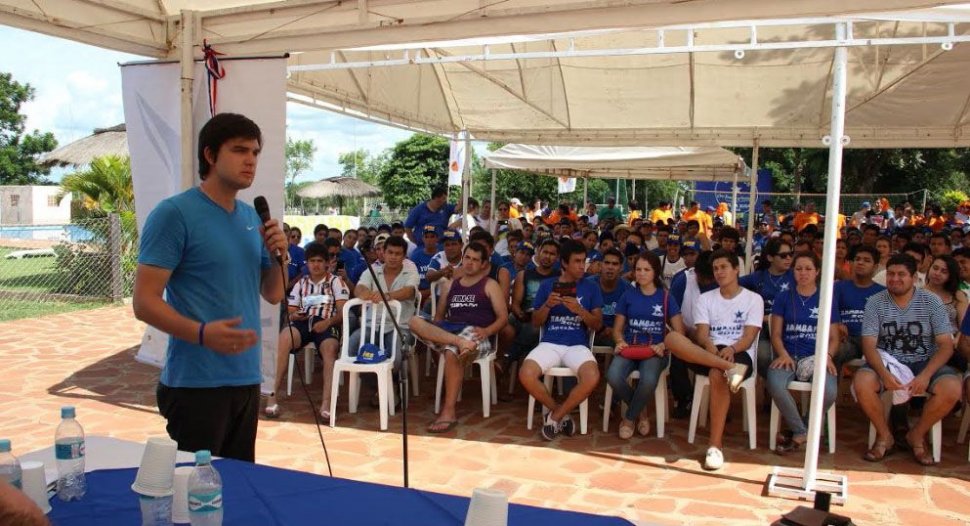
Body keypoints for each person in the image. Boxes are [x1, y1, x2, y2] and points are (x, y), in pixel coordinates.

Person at [133, 113, 286, 462]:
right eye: (239, 150)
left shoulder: (252, 219)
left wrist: (282, 255)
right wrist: (201, 333)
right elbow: (144, 302)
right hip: (196, 385)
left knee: (237, 487)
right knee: (194, 494)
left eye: (256, 152)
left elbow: (273, 293)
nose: (251, 160)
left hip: (246, 377)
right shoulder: (175, 214)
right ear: (210, 155)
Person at [853, 254, 961, 465]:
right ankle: (885, 436)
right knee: (862, 382)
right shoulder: (875, 302)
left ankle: (917, 435)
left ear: (914, 278)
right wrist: (884, 375)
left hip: (924, 361)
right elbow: (868, 345)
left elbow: (946, 345)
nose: (895, 279)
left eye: (901, 274)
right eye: (891, 274)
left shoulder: (931, 302)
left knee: (952, 388)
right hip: (888, 360)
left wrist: (926, 375)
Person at [663, 250, 760, 470]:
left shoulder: (753, 299)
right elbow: (702, 334)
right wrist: (711, 349)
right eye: (716, 268)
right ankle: (729, 368)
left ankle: (715, 446)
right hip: (711, 351)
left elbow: (748, 337)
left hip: (739, 352)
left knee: (717, 375)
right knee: (672, 339)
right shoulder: (705, 299)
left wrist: (731, 349)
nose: (719, 272)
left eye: (724, 267)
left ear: (736, 269)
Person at [410, 242, 509, 433]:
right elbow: (438, 318)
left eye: (475, 260)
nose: (469, 263)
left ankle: (448, 412)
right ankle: (460, 343)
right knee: (414, 321)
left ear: (483, 264)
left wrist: (487, 332)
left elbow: (503, 318)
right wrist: (438, 334)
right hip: (451, 333)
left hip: (476, 333)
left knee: (450, 352)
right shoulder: (450, 284)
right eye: (467, 258)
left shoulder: (490, 285)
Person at [519, 240, 603, 440]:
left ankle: (555, 416)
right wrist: (547, 305)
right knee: (526, 373)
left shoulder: (591, 287)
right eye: (577, 262)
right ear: (564, 263)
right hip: (550, 342)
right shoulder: (548, 285)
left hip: (577, 344)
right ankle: (560, 413)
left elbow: (597, 324)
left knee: (592, 376)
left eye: (584, 261)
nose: (582, 266)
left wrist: (580, 310)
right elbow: (536, 322)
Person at [266, 242, 349, 419]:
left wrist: (328, 323)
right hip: (304, 321)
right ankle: (272, 398)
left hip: (327, 322)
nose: (316, 265)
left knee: (329, 349)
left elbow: (343, 311)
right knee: (285, 337)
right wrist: (295, 316)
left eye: (320, 261)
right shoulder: (301, 283)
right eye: (312, 261)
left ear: (327, 263)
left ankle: (326, 403)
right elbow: (290, 310)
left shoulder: (335, 282)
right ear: (306, 263)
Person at [767, 251, 838, 454]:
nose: (803, 273)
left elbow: (834, 338)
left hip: (816, 357)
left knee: (829, 391)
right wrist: (782, 354)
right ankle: (802, 431)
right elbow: (776, 334)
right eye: (798, 269)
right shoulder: (783, 297)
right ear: (793, 272)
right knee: (775, 384)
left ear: (817, 272)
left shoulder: (826, 299)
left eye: (808, 269)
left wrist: (828, 356)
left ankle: (800, 430)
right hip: (788, 355)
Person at [607, 252, 681, 439]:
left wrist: (664, 345)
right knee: (613, 376)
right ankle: (641, 411)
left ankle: (629, 418)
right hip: (630, 347)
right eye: (638, 269)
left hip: (655, 350)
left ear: (655, 272)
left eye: (646, 269)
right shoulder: (628, 296)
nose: (641, 273)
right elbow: (617, 329)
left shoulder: (665, 297)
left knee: (648, 380)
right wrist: (620, 342)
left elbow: (679, 332)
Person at [350, 236, 419, 380]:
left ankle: (387, 386)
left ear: (404, 255)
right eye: (390, 252)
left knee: (395, 358)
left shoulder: (410, 271)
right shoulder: (372, 271)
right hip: (372, 325)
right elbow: (359, 288)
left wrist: (387, 296)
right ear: (383, 253)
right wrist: (367, 294)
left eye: (398, 253)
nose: (393, 257)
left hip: (400, 326)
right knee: (352, 347)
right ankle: (376, 385)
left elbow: (409, 291)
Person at [740, 238, 795, 376]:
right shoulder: (758, 277)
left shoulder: (796, 276)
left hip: (789, 326)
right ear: (770, 257)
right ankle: (769, 386)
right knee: (763, 354)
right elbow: (733, 285)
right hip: (763, 327)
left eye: (790, 254)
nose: (788, 258)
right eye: (783, 255)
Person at [508, 239, 561, 371]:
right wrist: (521, 314)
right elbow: (515, 304)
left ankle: (510, 357)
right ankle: (527, 360)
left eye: (552, 254)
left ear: (557, 258)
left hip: (547, 319)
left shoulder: (560, 277)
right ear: (538, 252)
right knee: (511, 322)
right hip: (524, 317)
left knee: (535, 327)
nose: (547, 256)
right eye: (545, 252)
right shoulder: (524, 275)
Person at [829, 245, 885, 368]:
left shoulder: (882, 292)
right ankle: (831, 387)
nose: (860, 263)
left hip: (874, 341)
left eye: (866, 260)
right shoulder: (838, 287)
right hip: (847, 340)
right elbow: (829, 310)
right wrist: (837, 323)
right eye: (857, 259)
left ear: (875, 267)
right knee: (835, 351)